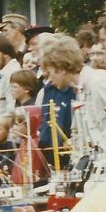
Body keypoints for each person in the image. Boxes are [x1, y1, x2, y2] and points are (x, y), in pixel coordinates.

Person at [37, 35, 81, 163]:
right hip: (51, 152)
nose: (49, 78)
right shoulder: (48, 89)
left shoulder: (90, 84)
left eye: (50, 72)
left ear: (60, 68)